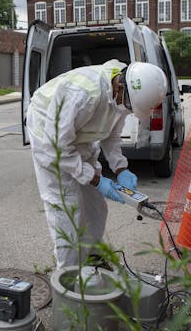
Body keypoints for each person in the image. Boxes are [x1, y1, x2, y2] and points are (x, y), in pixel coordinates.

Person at [26, 59, 167, 269]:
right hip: (48, 132)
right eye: (130, 106)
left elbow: (112, 136)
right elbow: (56, 146)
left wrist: (121, 168)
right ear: (120, 86)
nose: (128, 110)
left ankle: (92, 257)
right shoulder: (82, 94)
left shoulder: (122, 93)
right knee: (67, 209)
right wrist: (95, 179)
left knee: (96, 206)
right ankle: (69, 275)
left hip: (76, 134)